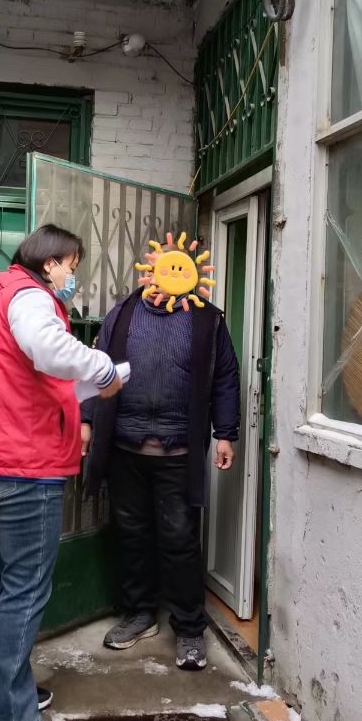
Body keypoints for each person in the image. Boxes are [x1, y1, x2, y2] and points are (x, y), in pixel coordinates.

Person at [0, 224, 123, 721]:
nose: (73, 277)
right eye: (72, 266)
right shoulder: (29, 298)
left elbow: (26, 374)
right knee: (24, 589)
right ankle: (4, 713)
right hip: (24, 464)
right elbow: (48, 349)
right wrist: (105, 370)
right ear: (50, 264)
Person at [80, 272, 241, 671]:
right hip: (125, 447)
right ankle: (139, 614)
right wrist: (86, 420)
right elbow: (96, 367)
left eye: (178, 268)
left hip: (178, 451)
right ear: (148, 271)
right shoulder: (123, 312)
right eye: (159, 268)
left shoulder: (207, 319)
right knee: (131, 534)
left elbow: (225, 377)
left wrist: (226, 433)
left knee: (179, 538)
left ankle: (189, 628)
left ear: (191, 274)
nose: (167, 276)